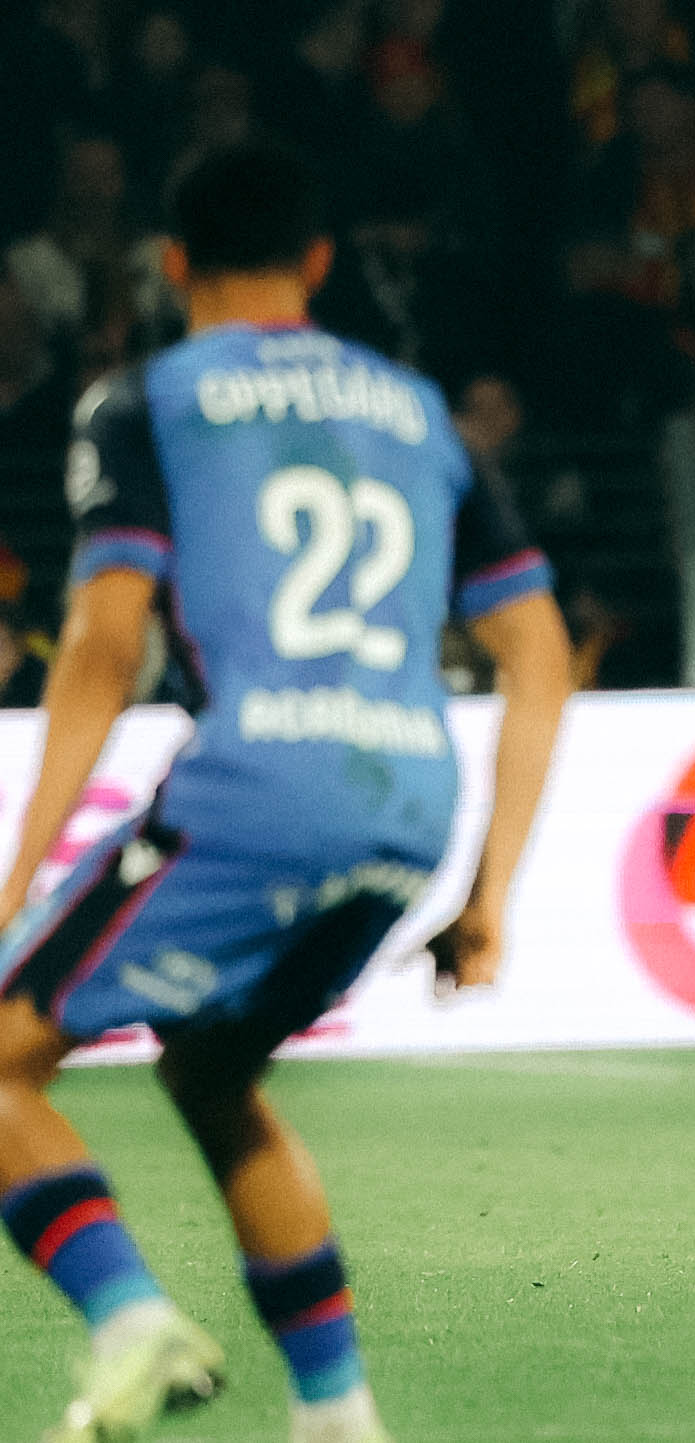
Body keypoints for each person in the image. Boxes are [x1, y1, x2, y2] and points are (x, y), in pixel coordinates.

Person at [0, 141, 572, 1443]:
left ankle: (132, 1316)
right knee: (211, 1070)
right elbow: (537, 653)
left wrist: (20, 867)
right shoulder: (420, 412)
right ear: (318, 264)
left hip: (257, 783)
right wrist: (489, 889)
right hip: (408, 804)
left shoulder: (145, 399)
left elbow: (102, 646)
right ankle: (339, 1414)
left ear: (173, 262)